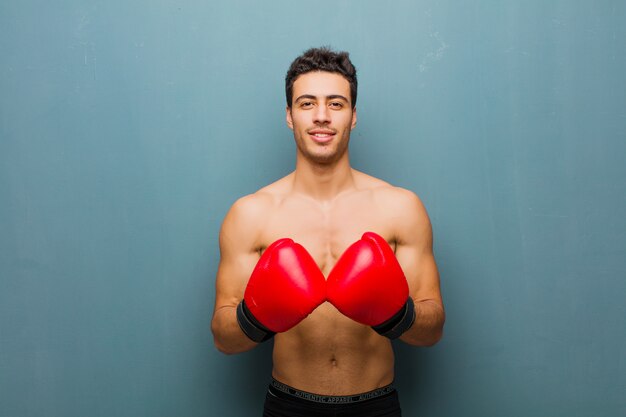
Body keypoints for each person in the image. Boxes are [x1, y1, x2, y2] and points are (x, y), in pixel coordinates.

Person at [211, 46, 445, 417]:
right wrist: (257, 317)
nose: (322, 117)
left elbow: (431, 332)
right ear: (289, 116)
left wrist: (393, 313)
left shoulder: (400, 208)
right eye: (307, 104)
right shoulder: (251, 214)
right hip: (289, 405)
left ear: (354, 116)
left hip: (375, 406)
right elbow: (224, 339)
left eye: (336, 104)